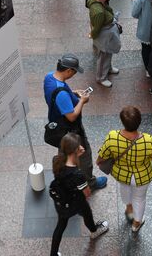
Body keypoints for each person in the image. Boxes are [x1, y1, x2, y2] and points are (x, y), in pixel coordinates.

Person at [97, 106, 152, 232]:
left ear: (122, 121)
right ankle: (136, 223)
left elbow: (102, 156)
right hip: (142, 177)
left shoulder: (112, 137)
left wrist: (99, 160)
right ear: (139, 121)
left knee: (124, 189)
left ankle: (129, 208)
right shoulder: (148, 140)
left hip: (121, 174)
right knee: (140, 198)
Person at [43, 53, 107, 190]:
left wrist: (73, 93)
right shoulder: (62, 95)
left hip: (57, 126)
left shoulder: (49, 77)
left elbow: (57, 92)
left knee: (64, 152)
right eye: (74, 71)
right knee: (84, 156)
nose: (74, 74)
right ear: (68, 71)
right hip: (71, 130)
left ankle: (62, 175)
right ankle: (90, 183)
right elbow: (71, 116)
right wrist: (82, 101)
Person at [50, 133, 109, 256]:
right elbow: (87, 193)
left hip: (61, 202)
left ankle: (53, 254)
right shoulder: (78, 174)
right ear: (73, 151)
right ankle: (94, 231)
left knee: (60, 226)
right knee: (87, 213)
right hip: (76, 202)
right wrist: (84, 196)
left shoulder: (56, 160)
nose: (82, 147)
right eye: (79, 146)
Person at [87, 0, 121, 88]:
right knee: (103, 56)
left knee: (108, 53)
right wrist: (92, 35)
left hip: (107, 34)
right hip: (104, 36)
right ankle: (101, 77)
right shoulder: (99, 12)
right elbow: (97, 28)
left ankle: (108, 68)